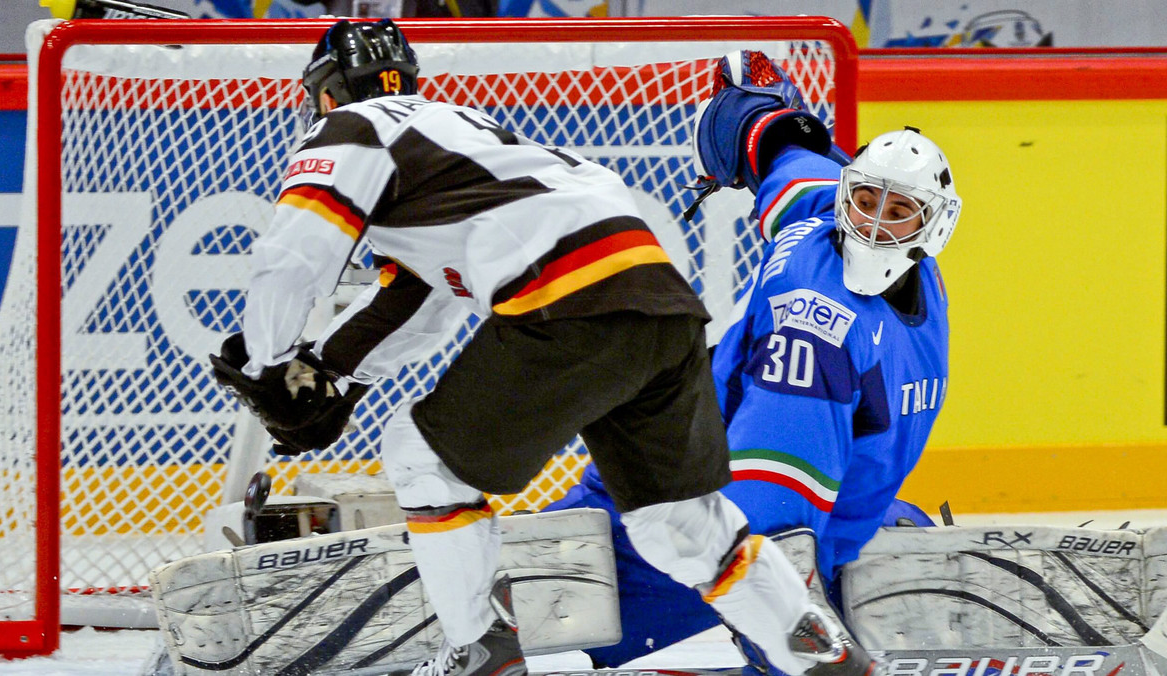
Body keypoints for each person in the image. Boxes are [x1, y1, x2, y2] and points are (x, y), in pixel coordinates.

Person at [209, 20, 876, 676]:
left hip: (569, 302)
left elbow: (292, 259)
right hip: (662, 309)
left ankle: (480, 652)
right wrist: (334, 371)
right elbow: (417, 300)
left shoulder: (350, 127)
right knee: (680, 527)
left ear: (327, 94)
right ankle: (823, 654)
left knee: (421, 457)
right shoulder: (457, 141)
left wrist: (270, 365)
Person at [545, 50, 961, 674]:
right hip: (674, 523)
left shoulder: (821, 207)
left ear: (934, 228)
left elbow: (784, 157)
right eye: (866, 201)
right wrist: (798, 636)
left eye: (896, 211)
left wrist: (762, 116)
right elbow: (765, 529)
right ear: (849, 195)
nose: (873, 226)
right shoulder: (815, 323)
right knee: (542, 619)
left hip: (698, 478)